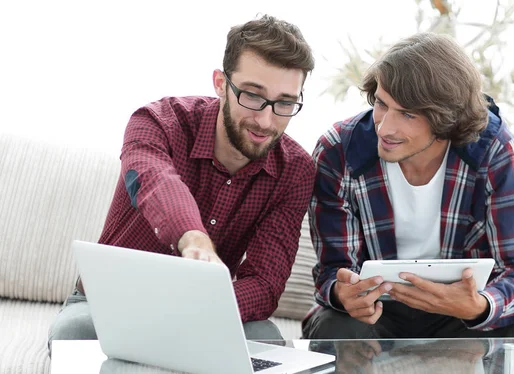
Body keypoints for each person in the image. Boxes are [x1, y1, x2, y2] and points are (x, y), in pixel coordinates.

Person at [48, 14, 316, 353]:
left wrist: (192, 313)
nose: (265, 120)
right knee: (74, 334)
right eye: (252, 95)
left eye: (285, 103)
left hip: (204, 311)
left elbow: (264, 282)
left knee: (265, 338)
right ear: (221, 83)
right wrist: (194, 238)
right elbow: (156, 182)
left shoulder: (295, 170)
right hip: (107, 305)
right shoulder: (157, 122)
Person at [302, 32, 514, 373]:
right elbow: (332, 269)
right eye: (381, 103)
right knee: (335, 327)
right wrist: (343, 293)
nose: (385, 127)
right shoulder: (338, 151)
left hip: (460, 311)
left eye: (407, 114)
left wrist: (481, 305)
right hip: (379, 312)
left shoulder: (495, 150)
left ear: (446, 118)